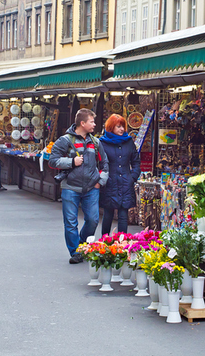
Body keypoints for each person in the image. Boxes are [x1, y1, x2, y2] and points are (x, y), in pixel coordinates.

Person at [48, 108, 109, 264]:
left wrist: (99, 182)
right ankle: (75, 251)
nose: (94, 124)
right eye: (91, 121)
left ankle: (81, 244)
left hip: (91, 188)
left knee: (93, 219)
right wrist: (71, 162)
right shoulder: (65, 140)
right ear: (82, 123)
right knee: (70, 222)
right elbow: (52, 160)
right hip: (70, 188)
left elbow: (104, 164)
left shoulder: (96, 142)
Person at [98, 114, 141, 236]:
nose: (122, 129)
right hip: (110, 182)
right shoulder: (102, 143)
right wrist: (102, 178)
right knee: (108, 214)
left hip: (126, 182)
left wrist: (133, 177)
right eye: (118, 126)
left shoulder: (129, 142)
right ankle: (104, 243)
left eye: (123, 126)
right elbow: (98, 163)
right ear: (111, 127)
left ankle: (122, 244)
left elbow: (136, 161)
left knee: (123, 215)